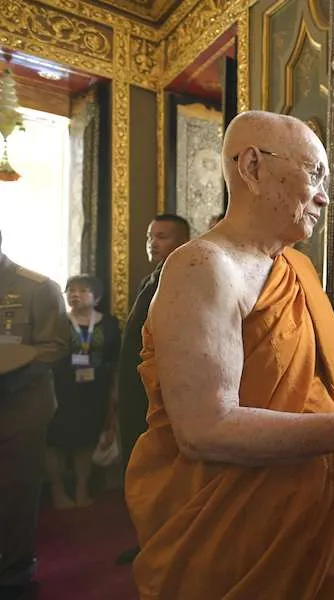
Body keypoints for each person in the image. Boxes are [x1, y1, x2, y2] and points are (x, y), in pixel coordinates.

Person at [125, 111, 334, 600]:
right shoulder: (203, 266)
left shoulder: (296, 267)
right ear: (252, 167)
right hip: (240, 539)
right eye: (315, 174)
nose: (324, 196)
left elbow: (296, 375)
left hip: (311, 518)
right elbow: (206, 429)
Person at [0, 230, 68, 593]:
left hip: (19, 406)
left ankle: (15, 573)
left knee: (15, 492)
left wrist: (9, 370)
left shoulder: (38, 287)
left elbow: (54, 347)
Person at [116, 214, 189, 471]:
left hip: (159, 384)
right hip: (135, 378)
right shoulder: (150, 279)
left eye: (161, 237)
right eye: (150, 237)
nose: (152, 243)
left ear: (183, 242)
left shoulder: (183, 280)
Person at [46, 275, 120, 509]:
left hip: (94, 392)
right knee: (55, 441)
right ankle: (57, 491)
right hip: (61, 390)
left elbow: (114, 359)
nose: (74, 294)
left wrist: (114, 393)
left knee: (87, 440)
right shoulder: (58, 322)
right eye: (70, 290)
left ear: (96, 297)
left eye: (82, 290)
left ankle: (81, 489)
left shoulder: (109, 323)